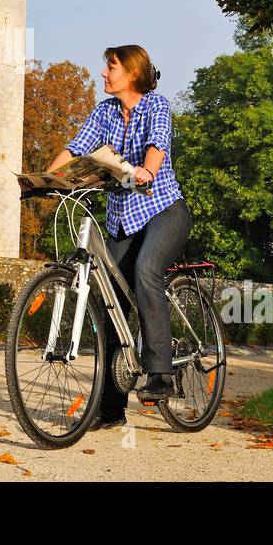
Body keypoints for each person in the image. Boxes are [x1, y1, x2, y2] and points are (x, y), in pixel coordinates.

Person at [44, 45, 194, 429]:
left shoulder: (155, 105)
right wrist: (43, 179)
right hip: (123, 221)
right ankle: (110, 409)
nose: (104, 73)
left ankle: (160, 372)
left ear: (132, 72)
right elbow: (76, 149)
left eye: (111, 67)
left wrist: (147, 169)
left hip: (163, 211)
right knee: (109, 303)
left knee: (147, 269)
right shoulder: (105, 111)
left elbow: (158, 144)